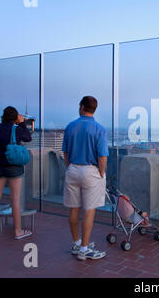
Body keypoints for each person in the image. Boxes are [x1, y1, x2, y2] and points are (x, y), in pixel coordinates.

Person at [63, 96, 109, 261]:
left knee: (74, 208)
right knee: (89, 211)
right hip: (91, 171)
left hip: (73, 169)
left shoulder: (70, 127)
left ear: (82, 107)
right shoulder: (99, 129)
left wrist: (70, 166)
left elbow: (65, 152)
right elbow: (102, 156)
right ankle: (84, 249)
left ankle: (77, 243)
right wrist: (101, 173)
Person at [0, 106, 33, 240]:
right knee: (15, 199)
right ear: (15, 117)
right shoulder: (17, 129)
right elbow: (28, 137)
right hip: (13, 164)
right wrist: (22, 122)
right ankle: (18, 231)